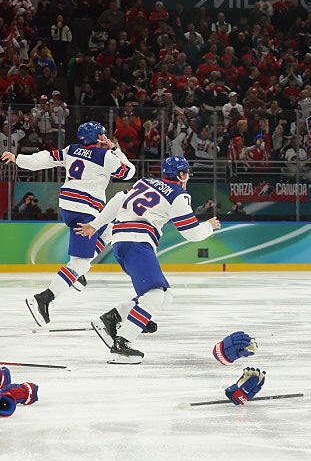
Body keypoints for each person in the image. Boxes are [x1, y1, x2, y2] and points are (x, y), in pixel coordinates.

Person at [76, 157, 220, 363]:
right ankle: (122, 343)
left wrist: (96, 224)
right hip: (138, 242)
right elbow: (191, 233)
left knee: (164, 297)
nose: (187, 177)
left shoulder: (144, 182)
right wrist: (209, 226)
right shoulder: (179, 195)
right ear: (180, 175)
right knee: (153, 296)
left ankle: (113, 318)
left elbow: (118, 199)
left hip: (121, 241)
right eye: (186, 172)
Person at [2, 121, 136, 327]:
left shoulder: (72, 150)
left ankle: (76, 274)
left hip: (69, 207)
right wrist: (115, 148)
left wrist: (18, 158)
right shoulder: (106, 156)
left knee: (110, 229)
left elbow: (45, 158)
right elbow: (128, 172)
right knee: (80, 263)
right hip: (86, 210)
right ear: (100, 137)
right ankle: (44, 298)